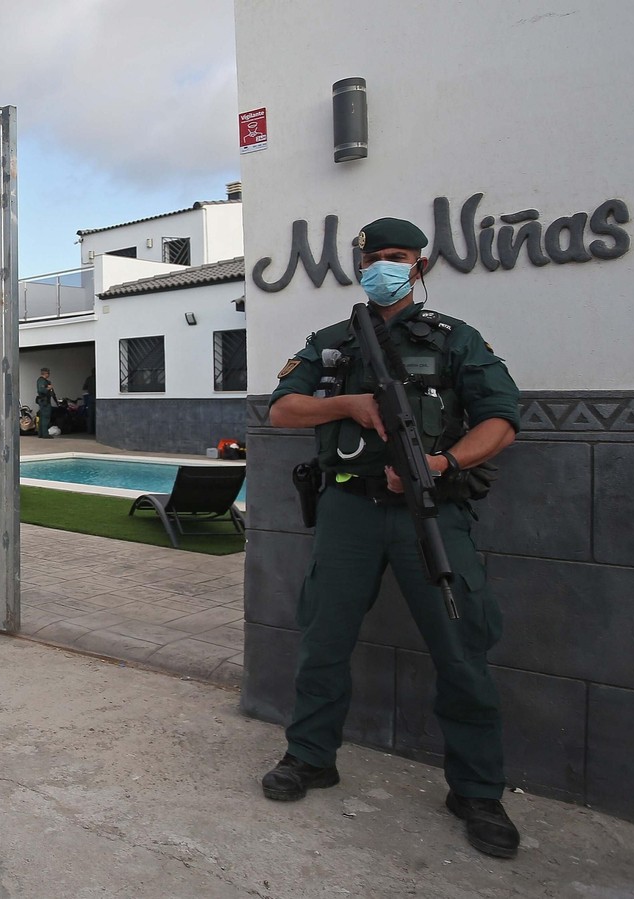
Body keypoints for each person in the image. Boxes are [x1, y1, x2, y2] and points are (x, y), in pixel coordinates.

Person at [261, 217, 523, 859]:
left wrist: (442, 465)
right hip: (348, 510)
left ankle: (476, 789)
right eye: (375, 257)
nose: (386, 266)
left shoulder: (455, 340)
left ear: (421, 265)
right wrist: (345, 405)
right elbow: (281, 409)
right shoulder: (331, 342)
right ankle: (312, 756)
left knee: (461, 647)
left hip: (430, 513)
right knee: (324, 637)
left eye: (398, 256)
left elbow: (502, 419)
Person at [35, 368, 57, 438]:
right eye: (48, 373)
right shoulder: (42, 381)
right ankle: (45, 434)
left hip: (43, 401)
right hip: (44, 401)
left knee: (42, 417)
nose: (49, 374)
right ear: (45, 373)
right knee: (45, 417)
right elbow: (42, 390)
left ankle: (41, 433)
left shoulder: (43, 381)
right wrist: (49, 388)